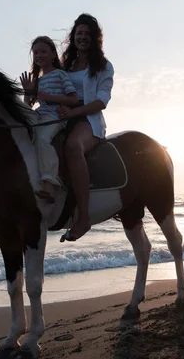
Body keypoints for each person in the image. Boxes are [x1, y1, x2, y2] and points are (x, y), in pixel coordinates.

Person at [56, 13, 114, 242]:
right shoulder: (65, 66)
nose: (82, 37)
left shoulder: (103, 66)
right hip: (62, 116)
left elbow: (101, 102)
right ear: (73, 36)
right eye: (79, 33)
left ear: (95, 39)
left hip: (88, 120)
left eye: (87, 34)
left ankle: (84, 217)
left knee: (72, 147)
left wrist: (74, 112)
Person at [20, 36, 78, 203]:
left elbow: (73, 99)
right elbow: (28, 106)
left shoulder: (60, 74)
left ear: (53, 54)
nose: (39, 55)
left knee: (43, 139)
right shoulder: (38, 80)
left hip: (55, 116)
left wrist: (51, 97)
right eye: (36, 52)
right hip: (40, 115)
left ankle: (50, 182)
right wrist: (28, 92)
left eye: (43, 51)